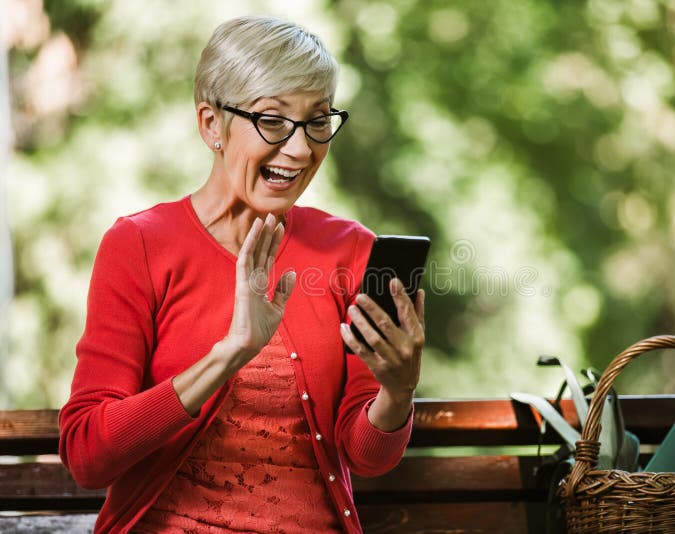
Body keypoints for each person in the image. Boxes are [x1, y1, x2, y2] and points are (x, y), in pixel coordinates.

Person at [58, 15, 425, 534]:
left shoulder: (350, 252)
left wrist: (397, 393)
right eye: (273, 121)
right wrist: (229, 354)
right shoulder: (140, 245)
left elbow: (367, 458)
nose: (301, 150)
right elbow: (87, 454)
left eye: (318, 121)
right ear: (212, 124)